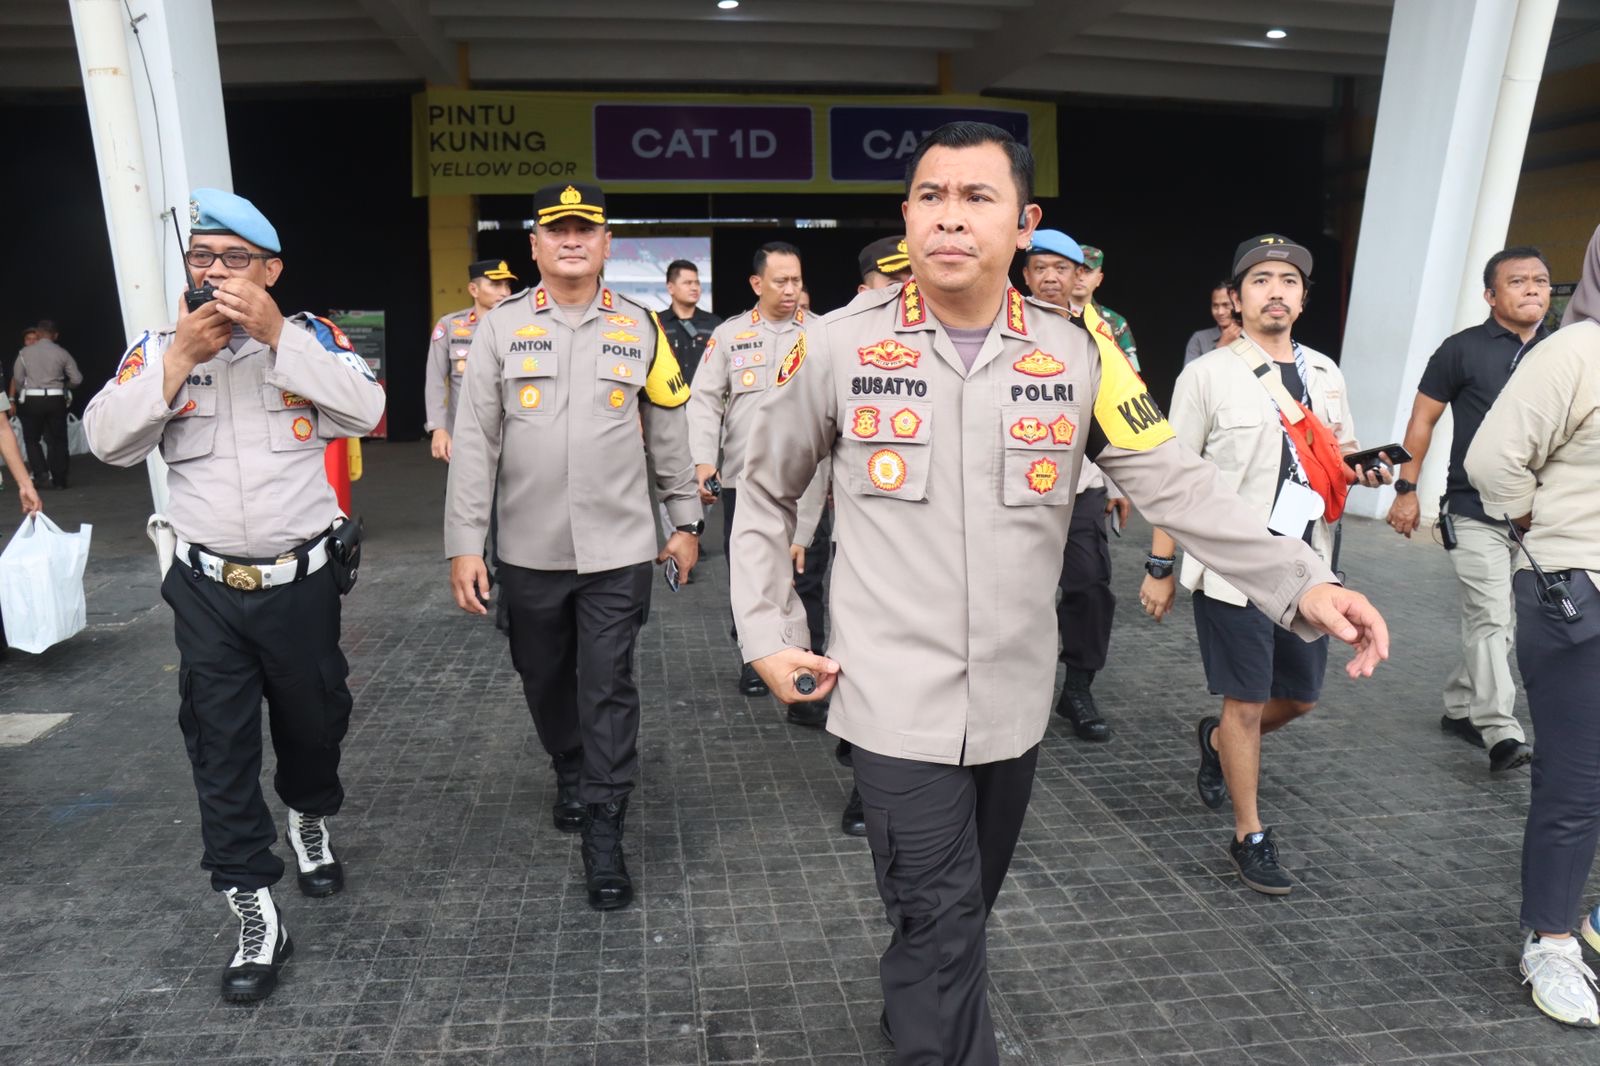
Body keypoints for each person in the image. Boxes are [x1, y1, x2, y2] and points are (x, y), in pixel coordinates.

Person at [732, 123, 1390, 1064]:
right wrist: (766, 627)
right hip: (889, 698)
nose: (948, 218)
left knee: (956, 910)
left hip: (1011, 702)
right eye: (930, 197)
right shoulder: (839, 348)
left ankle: (912, 997)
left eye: (976, 198)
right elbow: (762, 492)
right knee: (946, 913)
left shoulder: (1079, 355)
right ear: (907, 214)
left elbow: (1175, 480)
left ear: (1025, 223)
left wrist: (1306, 581)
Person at [83, 188, 386, 1003]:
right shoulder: (159, 349)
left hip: (303, 584)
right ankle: (255, 909)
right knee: (218, 750)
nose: (216, 272)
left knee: (315, 723)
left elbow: (368, 408)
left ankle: (309, 816)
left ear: (271, 269)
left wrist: (278, 333)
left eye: (235, 259)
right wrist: (179, 357)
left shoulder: (312, 341)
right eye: (203, 258)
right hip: (208, 589)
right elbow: (107, 442)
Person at [445, 181, 701, 912]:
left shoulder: (642, 327)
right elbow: (476, 443)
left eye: (584, 230)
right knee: (542, 674)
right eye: (556, 230)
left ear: (606, 243)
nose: (570, 241)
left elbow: (671, 434)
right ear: (534, 245)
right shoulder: (499, 329)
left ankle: (605, 828)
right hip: (528, 550)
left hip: (620, 548)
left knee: (609, 682)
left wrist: (684, 522)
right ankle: (568, 761)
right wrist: (465, 542)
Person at [1140, 234, 1390, 896]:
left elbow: (1340, 454)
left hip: (1310, 569)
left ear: (1303, 299)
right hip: (1232, 571)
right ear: (1236, 297)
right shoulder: (1206, 375)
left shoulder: (1326, 373)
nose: (1275, 290)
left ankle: (1219, 741)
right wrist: (1160, 566)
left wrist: (1365, 468)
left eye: (1288, 281)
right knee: (1245, 701)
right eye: (1260, 280)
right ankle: (1249, 832)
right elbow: (1172, 478)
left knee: (1301, 699)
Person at [1466, 222, 1600, 1029]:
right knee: (1578, 782)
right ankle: (1549, 938)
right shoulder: (1575, 352)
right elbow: (1491, 463)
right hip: (1579, 589)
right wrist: (1539, 533)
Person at [1386, 246, 1550, 774]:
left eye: (1541, 281)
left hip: (1540, 516)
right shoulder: (1461, 350)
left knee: (1504, 626)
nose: (1532, 289)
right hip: (1473, 509)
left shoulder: (1561, 352)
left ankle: (1461, 704)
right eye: (1518, 281)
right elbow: (1422, 421)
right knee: (1491, 615)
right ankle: (1501, 731)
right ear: (1490, 295)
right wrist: (1405, 489)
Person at [687, 242, 809, 706]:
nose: (790, 290)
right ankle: (755, 658)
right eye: (780, 281)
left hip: (804, 480)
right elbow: (703, 400)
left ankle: (800, 654)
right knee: (751, 573)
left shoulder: (820, 334)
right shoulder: (731, 335)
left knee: (805, 573)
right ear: (757, 284)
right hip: (745, 478)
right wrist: (703, 460)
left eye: (796, 280)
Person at [1020, 228, 1129, 742]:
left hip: (1080, 486)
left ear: (1077, 276)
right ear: (1025, 275)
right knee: (1015, 594)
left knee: (1088, 584)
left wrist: (1119, 485)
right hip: (1014, 489)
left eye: (1060, 269)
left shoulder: (1103, 334)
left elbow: (1122, 416)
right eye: (1039, 268)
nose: (1049, 277)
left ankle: (1078, 687)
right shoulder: (1000, 323)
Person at [423, 258, 518, 462]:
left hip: (513, 438)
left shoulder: (523, 330)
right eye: (495, 284)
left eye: (507, 285)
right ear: (474, 290)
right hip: (464, 436)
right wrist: (438, 429)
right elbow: (435, 381)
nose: (504, 292)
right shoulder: (450, 326)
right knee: (463, 493)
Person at [12, 320, 82, 489]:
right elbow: (77, 379)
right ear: (55, 335)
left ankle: (41, 472)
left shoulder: (24, 353)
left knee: (32, 439)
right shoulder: (62, 353)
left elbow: (18, 379)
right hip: (56, 398)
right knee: (58, 440)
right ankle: (59, 481)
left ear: (38, 333)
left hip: (32, 399)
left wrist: (26, 390)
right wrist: (65, 387)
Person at [1069, 245, 1137, 365]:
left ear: (1099, 279)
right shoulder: (1049, 314)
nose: (1080, 277)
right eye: (1076, 270)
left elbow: (1130, 375)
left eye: (1087, 271)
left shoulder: (1116, 323)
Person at [659, 259, 721, 387]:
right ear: (671, 287)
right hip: (666, 404)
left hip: (704, 402)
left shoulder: (714, 324)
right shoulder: (658, 323)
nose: (694, 288)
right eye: (687, 283)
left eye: (697, 283)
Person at [1184, 281, 1241, 365]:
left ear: (1237, 304)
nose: (1220, 312)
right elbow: (1189, 376)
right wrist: (1220, 347)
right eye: (1215, 306)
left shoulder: (1252, 334)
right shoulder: (1199, 339)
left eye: (1226, 305)